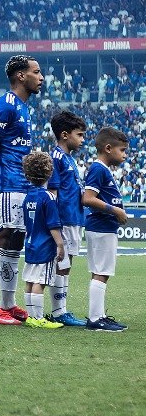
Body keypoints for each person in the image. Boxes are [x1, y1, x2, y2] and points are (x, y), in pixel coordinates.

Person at [0, 55, 42, 326]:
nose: (41, 78)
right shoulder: (5, 105)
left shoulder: (24, 107)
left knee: (15, 243)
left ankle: (8, 303)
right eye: (36, 72)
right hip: (6, 184)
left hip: (22, 185)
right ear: (20, 76)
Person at [80, 127, 129, 332]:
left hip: (104, 228)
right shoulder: (99, 169)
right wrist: (115, 210)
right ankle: (95, 319)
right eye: (123, 150)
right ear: (108, 148)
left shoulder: (103, 169)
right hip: (101, 227)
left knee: (101, 272)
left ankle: (98, 315)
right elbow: (88, 199)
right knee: (101, 271)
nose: (125, 155)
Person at [46, 110, 88, 326]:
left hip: (74, 218)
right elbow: (53, 193)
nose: (82, 140)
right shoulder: (56, 158)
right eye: (79, 135)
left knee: (66, 264)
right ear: (64, 134)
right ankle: (58, 311)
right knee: (61, 263)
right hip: (64, 219)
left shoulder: (68, 158)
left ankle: (61, 310)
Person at [20, 151, 65, 329]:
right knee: (41, 282)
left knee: (30, 281)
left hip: (30, 244)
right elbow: (53, 225)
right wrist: (60, 245)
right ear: (48, 172)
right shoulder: (49, 197)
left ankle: (31, 316)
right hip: (44, 246)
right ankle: (38, 318)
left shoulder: (27, 197)